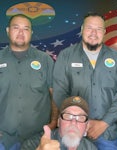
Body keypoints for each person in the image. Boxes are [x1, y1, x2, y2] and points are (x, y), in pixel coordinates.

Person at [53, 12, 117, 150]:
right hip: (73, 134)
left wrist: (104, 123)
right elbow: (59, 92)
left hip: (108, 134)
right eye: (89, 28)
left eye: (99, 29)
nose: (94, 33)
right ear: (82, 30)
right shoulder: (66, 56)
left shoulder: (116, 58)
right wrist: (77, 121)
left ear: (104, 32)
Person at [0, 14, 58, 150]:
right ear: (8, 31)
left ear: (31, 33)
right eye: (16, 28)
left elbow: (55, 93)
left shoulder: (45, 60)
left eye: (26, 29)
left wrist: (54, 122)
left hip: (37, 138)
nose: (21, 33)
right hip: (4, 138)